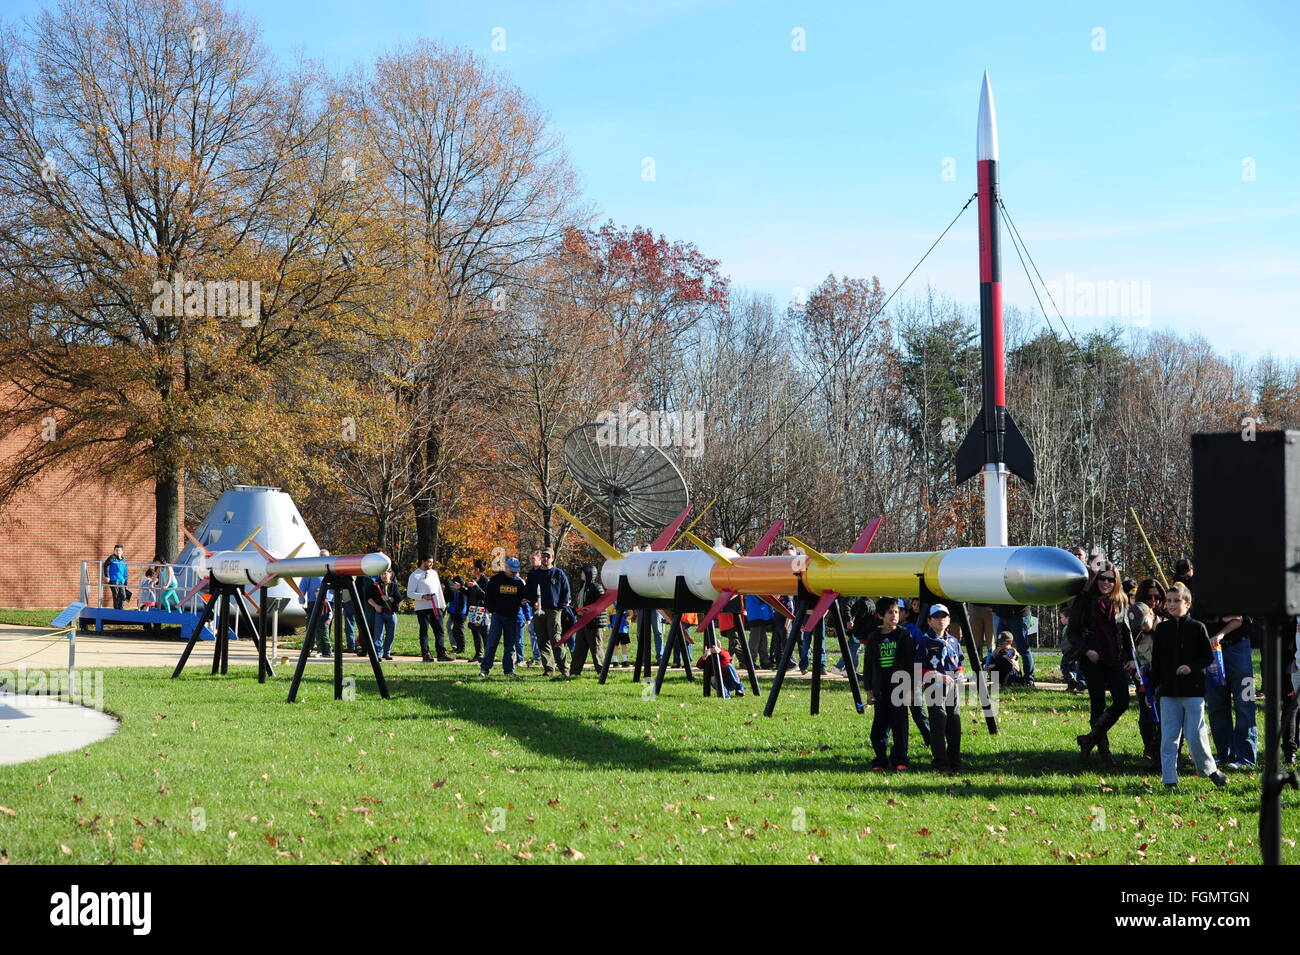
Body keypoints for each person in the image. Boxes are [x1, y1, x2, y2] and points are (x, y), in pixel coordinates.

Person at [1151, 583, 1227, 790]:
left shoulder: (1197, 627)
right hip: (1168, 692)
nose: (1172, 605)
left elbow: (1207, 657)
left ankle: (1210, 770)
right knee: (1169, 737)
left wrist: (1190, 667)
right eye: (1169, 601)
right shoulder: (1162, 629)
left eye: (1177, 601)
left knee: (1195, 734)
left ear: (1188, 603)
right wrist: (1154, 686)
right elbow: (1156, 660)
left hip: (1192, 691)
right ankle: (1169, 779)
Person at [1072, 560, 1133, 766]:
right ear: (1096, 579)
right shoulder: (1085, 600)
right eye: (1102, 578)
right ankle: (1105, 753)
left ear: (1116, 581)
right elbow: (1072, 631)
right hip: (1092, 659)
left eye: (1110, 579)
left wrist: (1131, 657)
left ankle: (1089, 739)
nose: (1106, 582)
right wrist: (1086, 651)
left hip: (1115, 658)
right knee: (1097, 703)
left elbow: (1126, 632)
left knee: (1122, 701)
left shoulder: (1120, 601)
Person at [863, 598, 915, 770]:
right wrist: (869, 691)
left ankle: (900, 759)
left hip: (900, 687)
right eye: (890, 612)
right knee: (879, 726)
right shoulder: (874, 637)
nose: (894, 615)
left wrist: (911, 689)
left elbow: (910, 663)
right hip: (880, 688)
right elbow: (868, 664)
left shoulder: (904, 635)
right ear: (880, 616)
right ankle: (880, 759)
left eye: (896, 612)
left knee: (899, 726)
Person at [1203, 611, 1256, 769]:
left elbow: (1240, 619)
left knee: (1245, 704)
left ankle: (1245, 757)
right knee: (1216, 705)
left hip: (1239, 646)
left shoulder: (1238, 588)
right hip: (1212, 650)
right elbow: (1200, 614)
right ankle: (1224, 754)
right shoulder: (1203, 590)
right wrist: (1220, 618)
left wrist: (1221, 629)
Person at [916, 603, 963, 772]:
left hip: (952, 687)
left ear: (949, 620)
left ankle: (955, 760)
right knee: (939, 721)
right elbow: (918, 668)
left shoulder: (953, 641)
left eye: (944, 617)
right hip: (934, 686)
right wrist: (937, 676)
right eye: (936, 617)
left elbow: (960, 662)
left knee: (954, 722)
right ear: (929, 621)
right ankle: (940, 762)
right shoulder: (924, 641)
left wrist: (958, 674)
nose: (940, 620)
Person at [525, 549, 571, 677]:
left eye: (547, 556)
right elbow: (528, 591)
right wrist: (533, 602)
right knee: (542, 640)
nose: (545, 558)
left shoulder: (558, 573)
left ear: (553, 558)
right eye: (543, 556)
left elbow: (566, 593)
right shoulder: (534, 574)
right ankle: (549, 670)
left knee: (555, 639)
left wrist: (560, 608)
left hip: (554, 611)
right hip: (539, 611)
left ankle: (564, 669)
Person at [480, 557, 528, 677]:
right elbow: (488, 597)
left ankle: (509, 670)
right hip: (497, 617)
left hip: (512, 617)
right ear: (505, 568)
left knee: (510, 645)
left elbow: (523, 598)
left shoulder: (519, 582)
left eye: (516, 571)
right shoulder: (495, 580)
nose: (515, 573)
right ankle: (485, 669)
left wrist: (523, 602)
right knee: (492, 643)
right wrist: (491, 610)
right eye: (512, 570)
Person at [1128, 601, 1161, 761]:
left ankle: (1164, 753)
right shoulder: (1140, 636)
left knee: (1163, 719)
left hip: (1163, 682)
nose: (1142, 627)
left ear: (1151, 614)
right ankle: (1149, 750)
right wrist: (1139, 668)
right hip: (1147, 682)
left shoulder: (1164, 631)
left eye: (1143, 623)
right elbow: (1142, 658)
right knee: (1146, 716)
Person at [408, 556, 450, 662]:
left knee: (439, 630)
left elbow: (438, 590)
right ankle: (426, 654)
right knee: (424, 631)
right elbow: (410, 593)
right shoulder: (414, 575)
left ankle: (441, 654)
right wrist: (422, 596)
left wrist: (442, 605)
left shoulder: (434, 573)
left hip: (435, 607)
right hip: (422, 608)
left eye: (432, 562)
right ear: (423, 561)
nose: (431, 564)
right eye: (429, 562)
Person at [570, 564, 608, 676]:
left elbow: (603, 604)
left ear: (589, 573)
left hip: (593, 623)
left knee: (596, 649)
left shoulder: (597, 587)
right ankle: (574, 672)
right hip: (582, 622)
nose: (581, 574)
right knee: (579, 648)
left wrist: (592, 611)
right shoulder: (582, 587)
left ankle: (602, 672)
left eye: (583, 572)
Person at [992, 603, 1034, 686]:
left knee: (1023, 650)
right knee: (1000, 649)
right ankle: (1004, 679)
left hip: (1019, 615)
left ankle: (1029, 680)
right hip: (1002, 615)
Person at [366, 569, 402, 660]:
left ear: (390, 574)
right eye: (382, 574)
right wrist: (376, 606)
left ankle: (387, 653)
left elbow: (399, 598)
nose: (383, 576)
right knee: (378, 634)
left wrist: (389, 598)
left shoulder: (394, 586)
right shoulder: (375, 586)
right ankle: (378, 654)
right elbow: (368, 598)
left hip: (391, 613)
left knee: (391, 634)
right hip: (380, 613)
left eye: (385, 574)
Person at [465, 559, 489, 663]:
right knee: (474, 631)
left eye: (473, 568)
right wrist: (461, 588)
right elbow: (470, 594)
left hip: (481, 610)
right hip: (473, 609)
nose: (471, 570)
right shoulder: (474, 579)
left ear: (478, 569)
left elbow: (485, 595)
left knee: (483, 632)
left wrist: (476, 586)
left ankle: (488, 655)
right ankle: (478, 654)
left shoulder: (485, 581)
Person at [446, 577, 468, 656]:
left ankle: (462, 648)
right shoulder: (456, 591)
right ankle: (458, 648)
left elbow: (462, 604)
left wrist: (457, 612)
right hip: (455, 613)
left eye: (454, 583)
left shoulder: (462, 592)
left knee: (459, 631)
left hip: (461, 614)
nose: (453, 585)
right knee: (455, 630)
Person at [103, 544, 128, 610]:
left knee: (123, 596)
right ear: (114, 551)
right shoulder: (112, 558)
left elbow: (125, 572)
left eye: (119, 550)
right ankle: (116, 610)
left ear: (122, 552)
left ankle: (121, 610)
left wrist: (126, 582)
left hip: (121, 580)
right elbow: (106, 565)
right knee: (116, 595)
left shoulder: (123, 560)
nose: (118, 551)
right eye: (116, 550)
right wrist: (107, 576)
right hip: (113, 579)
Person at [138, 564, 160, 636]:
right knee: (150, 610)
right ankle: (152, 626)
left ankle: (147, 626)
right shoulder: (150, 581)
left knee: (146, 608)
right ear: (152, 575)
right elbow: (152, 586)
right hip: (150, 598)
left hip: (144, 598)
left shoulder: (143, 581)